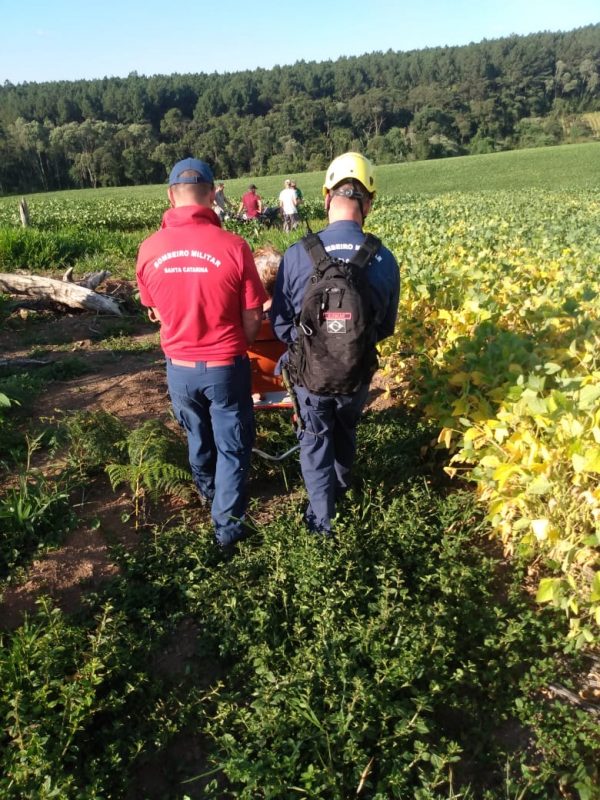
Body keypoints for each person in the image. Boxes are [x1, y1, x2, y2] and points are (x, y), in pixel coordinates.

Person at [136, 157, 268, 550]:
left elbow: (155, 310)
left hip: (179, 368)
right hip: (225, 365)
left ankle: (209, 493)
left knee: (198, 436)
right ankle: (227, 528)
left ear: (170, 195)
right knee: (233, 445)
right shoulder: (234, 246)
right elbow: (253, 315)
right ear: (212, 194)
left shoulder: (149, 248)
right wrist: (238, 347)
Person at [270, 152, 400, 536]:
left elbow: (279, 323)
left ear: (327, 198)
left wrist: (308, 349)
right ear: (369, 202)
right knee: (346, 429)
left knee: (314, 441)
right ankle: (343, 490)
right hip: (357, 373)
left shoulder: (297, 254)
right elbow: (386, 325)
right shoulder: (383, 258)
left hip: (310, 376)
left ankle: (321, 522)